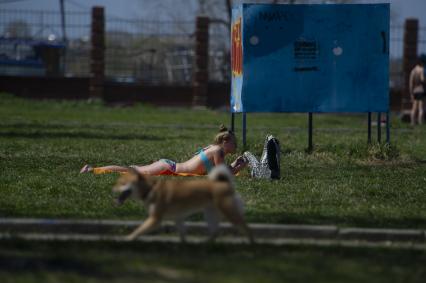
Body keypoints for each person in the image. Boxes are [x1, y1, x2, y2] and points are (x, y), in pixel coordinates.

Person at [80, 125, 248, 176]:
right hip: (169, 167)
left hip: (170, 167)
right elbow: (220, 175)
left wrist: (234, 166)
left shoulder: (215, 149)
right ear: (225, 141)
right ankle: (91, 170)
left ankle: (93, 169)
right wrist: (236, 168)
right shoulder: (218, 152)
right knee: (131, 172)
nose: (236, 145)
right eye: (234, 142)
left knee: (132, 170)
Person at [409, 58, 425, 126]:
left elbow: (410, 83)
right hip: (421, 90)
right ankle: (420, 122)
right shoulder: (421, 70)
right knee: (421, 108)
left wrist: (411, 93)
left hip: (415, 91)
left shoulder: (413, 71)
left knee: (414, 108)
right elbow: (422, 79)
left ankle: (412, 122)